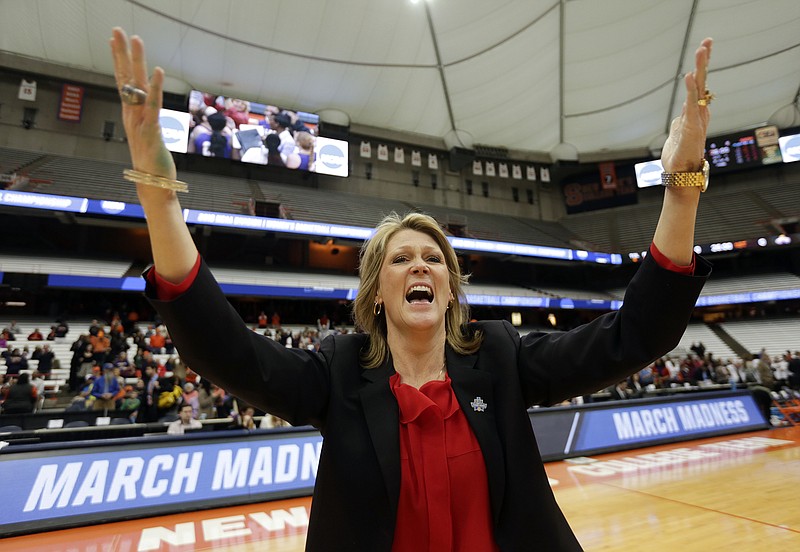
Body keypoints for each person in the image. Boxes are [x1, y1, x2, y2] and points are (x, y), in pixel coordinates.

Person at [111, 27, 713, 551]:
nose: (421, 267)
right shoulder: (338, 372)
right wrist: (160, 202)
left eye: (434, 259)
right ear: (377, 292)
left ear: (451, 289)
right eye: (401, 259)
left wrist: (682, 190)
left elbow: (636, 335)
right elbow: (225, 351)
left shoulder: (501, 356)